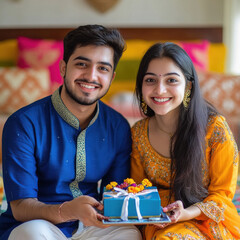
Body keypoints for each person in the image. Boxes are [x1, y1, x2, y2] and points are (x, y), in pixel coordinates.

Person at [0, 25, 142, 240]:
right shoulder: (23, 123)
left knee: (129, 234)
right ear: (63, 67)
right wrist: (68, 211)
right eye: (82, 64)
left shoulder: (118, 126)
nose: (91, 76)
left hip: (93, 223)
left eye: (102, 68)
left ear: (111, 77)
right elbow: (20, 206)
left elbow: (115, 193)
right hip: (37, 223)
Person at [131, 42, 240, 239]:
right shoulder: (138, 133)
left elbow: (223, 194)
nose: (160, 90)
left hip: (207, 216)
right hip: (161, 220)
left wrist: (188, 213)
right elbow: (137, 190)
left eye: (171, 80)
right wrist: (150, 215)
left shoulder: (215, 129)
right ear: (141, 85)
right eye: (150, 80)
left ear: (188, 86)